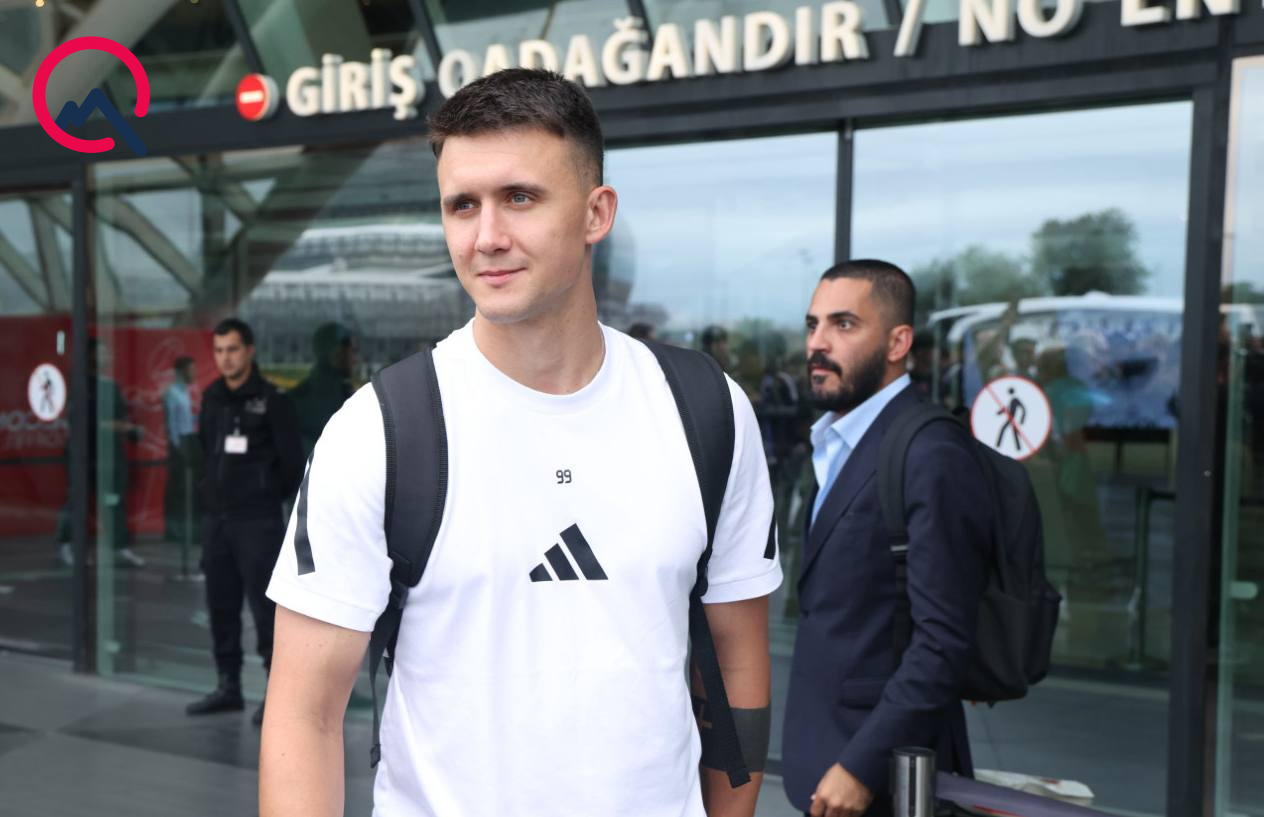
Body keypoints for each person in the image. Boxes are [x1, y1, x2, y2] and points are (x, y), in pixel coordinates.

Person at [260, 69, 781, 817]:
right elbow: (303, 714)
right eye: (462, 205)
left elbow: (736, 660)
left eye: (520, 197)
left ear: (597, 212)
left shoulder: (705, 408)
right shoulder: (380, 430)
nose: (487, 237)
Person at [782, 260, 991, 817]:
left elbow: (943, 640)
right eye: (813, 325)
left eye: (844, 324)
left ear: (899, 342)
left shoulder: (930, 452)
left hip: (887, 779)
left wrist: (860, 766)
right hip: (830, 760)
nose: (818, 343)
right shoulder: (838, 444)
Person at [187, 318, 304, 725]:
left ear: (249, 351)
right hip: (217, 522)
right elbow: (206, 452)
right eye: (219, 351)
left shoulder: (272, 400)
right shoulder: (212, 397)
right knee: (220, 606)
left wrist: (263, 494)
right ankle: (228, 686)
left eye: (232, 349)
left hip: (256, 522)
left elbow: (292, 464)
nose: (225, 358)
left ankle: (277, 695)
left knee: (266, 611)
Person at [56, 337, 146, 568]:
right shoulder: (81, 385)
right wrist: (118, 426)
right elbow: (85, 422)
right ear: (90, 357)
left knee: (114, 499)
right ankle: (67, 544)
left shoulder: (111, 386)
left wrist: (130, 429)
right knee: (78, 499)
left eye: (107, 353)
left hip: (110, 456)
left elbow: (121, 418)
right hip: (85, 455)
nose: (106, 357)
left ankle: (119, 547)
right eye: (101, 353)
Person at [289, 321, 357, 457]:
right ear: (337, 353)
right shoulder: (339, 398)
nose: (354, 360)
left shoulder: (297, 396)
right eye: (352, 352)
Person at [162, 356, 198, 543]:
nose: (194, 373)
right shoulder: (172, 393)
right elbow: (172, 424)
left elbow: (184, 421)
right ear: (182, 371)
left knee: (184, 488)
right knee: (176, 489)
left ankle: (181, 529)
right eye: (191, 369)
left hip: (187, 442)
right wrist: (178, 447)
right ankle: (173, 530)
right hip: (179, 445)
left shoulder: (185, 392)